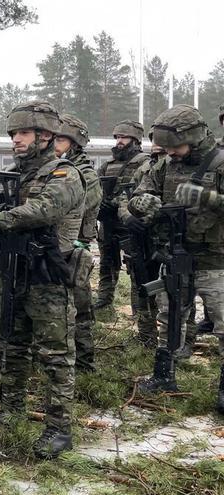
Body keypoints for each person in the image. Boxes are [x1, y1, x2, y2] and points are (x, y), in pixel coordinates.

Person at [0, 101, 85, 459]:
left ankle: (59, 428)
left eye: (23, 133)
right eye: (13, 133)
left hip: (48, 277)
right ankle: (12, 409)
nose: (15, 139)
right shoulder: (13, 175)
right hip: (14, 272)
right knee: (12, 347)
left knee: (56, 356)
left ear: (45, 136)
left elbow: (45, 208)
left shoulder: (63, 173)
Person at [124, 105, 224, 414]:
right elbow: (140, 194)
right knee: (170, 318)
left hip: (216, 260)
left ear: (194, 137)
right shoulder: (165, 164)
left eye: (175, 146)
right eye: (165, 147)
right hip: (175, 254)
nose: (170, 153)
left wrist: (206, 198)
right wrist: (141, 203)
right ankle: (164, 376)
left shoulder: (220, 162)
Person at [53, 114, 101, 372]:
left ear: (74, 143)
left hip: (76, 248)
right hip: (55, 248)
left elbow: (80, 206)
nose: (54, 142)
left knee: (79, 305)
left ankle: (83, 360)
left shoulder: (85, 174)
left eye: (60, 138)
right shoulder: (50, 168)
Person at [95, 121, 151, 311]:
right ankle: (104, 300)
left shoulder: (145, 163)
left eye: (124, 137)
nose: (119, 141)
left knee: (136, 267)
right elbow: (96, 189)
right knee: (106, 264)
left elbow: (143, 190)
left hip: (130, 223)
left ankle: (138, 308)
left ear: (135, 140)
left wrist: (118, 204)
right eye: (117, 137)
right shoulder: (107, 165)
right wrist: (100, 205)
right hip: (109, 223)